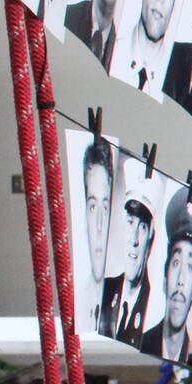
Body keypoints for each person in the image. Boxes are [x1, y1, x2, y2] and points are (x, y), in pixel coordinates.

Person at [140, 185, 192, 363]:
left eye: (190, 267)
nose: (181, 281)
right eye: (176, 264)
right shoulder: (144, 342)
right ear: (164, 278)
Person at [98, 183, 154, 342]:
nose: (133, 240)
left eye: (142, 227)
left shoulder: (153, 310)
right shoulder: (104, 292)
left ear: (151, 236)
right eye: (130, 223)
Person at [77, 139, 114, 334]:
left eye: (105, 207)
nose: (100, 225)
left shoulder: (122, 310)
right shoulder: (77, 304)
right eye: (93, 206)